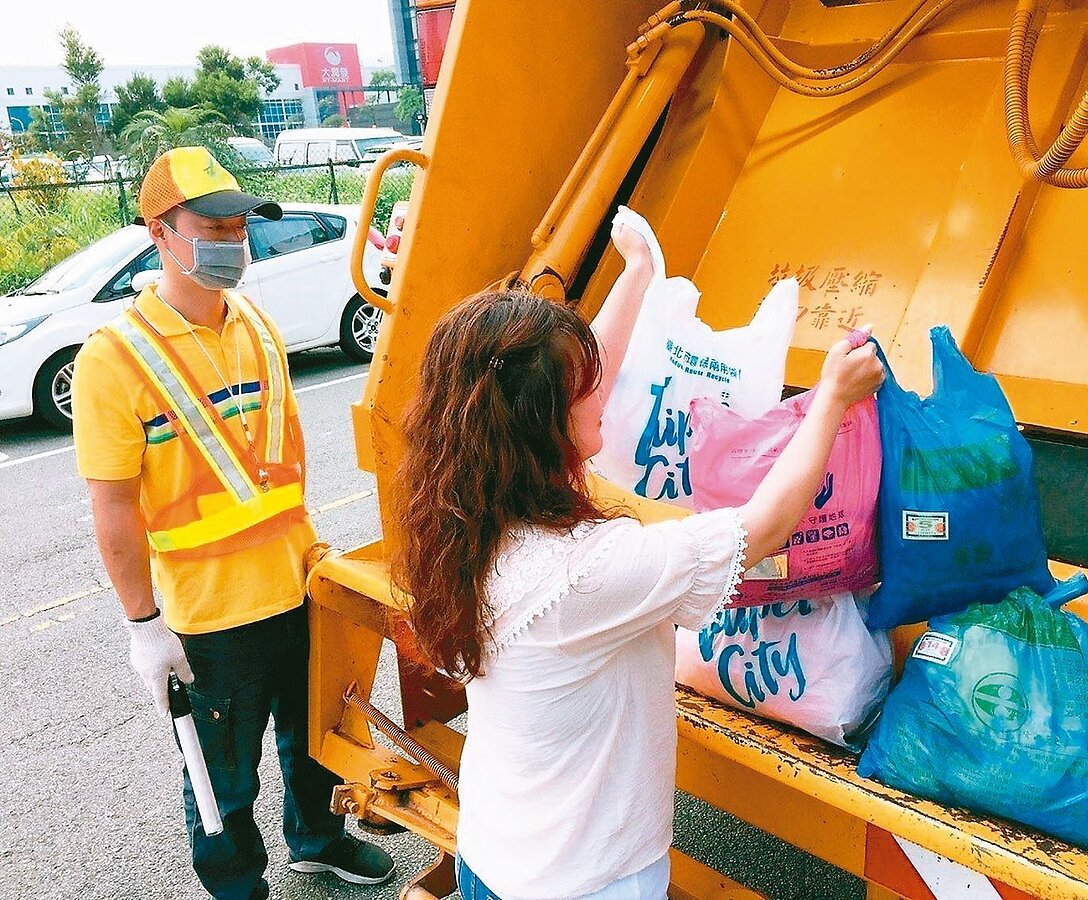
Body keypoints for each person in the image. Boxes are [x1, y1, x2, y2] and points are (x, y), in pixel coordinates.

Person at [393, 213, 885, 899]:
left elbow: (577, 375)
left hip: (494, 854)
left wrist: (637, 274)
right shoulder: (586, 572)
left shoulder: (463, 517)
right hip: (586, 883)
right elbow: (765, 526)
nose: (606, 392)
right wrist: (831, 398)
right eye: (581, 389)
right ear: (542, 422)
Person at [73, 146, 395, 900]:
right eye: (211, 225)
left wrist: (316, 557)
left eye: (240, 222)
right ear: (160, 231)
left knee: (314, 739)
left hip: (295, 585)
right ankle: (236, 884)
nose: (232, 239)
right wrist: (142, 625)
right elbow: (112, 504)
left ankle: (317, 840)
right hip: (208, 618)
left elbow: (279, 464)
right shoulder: (113, 358)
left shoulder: (253, 324)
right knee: (222, 768)